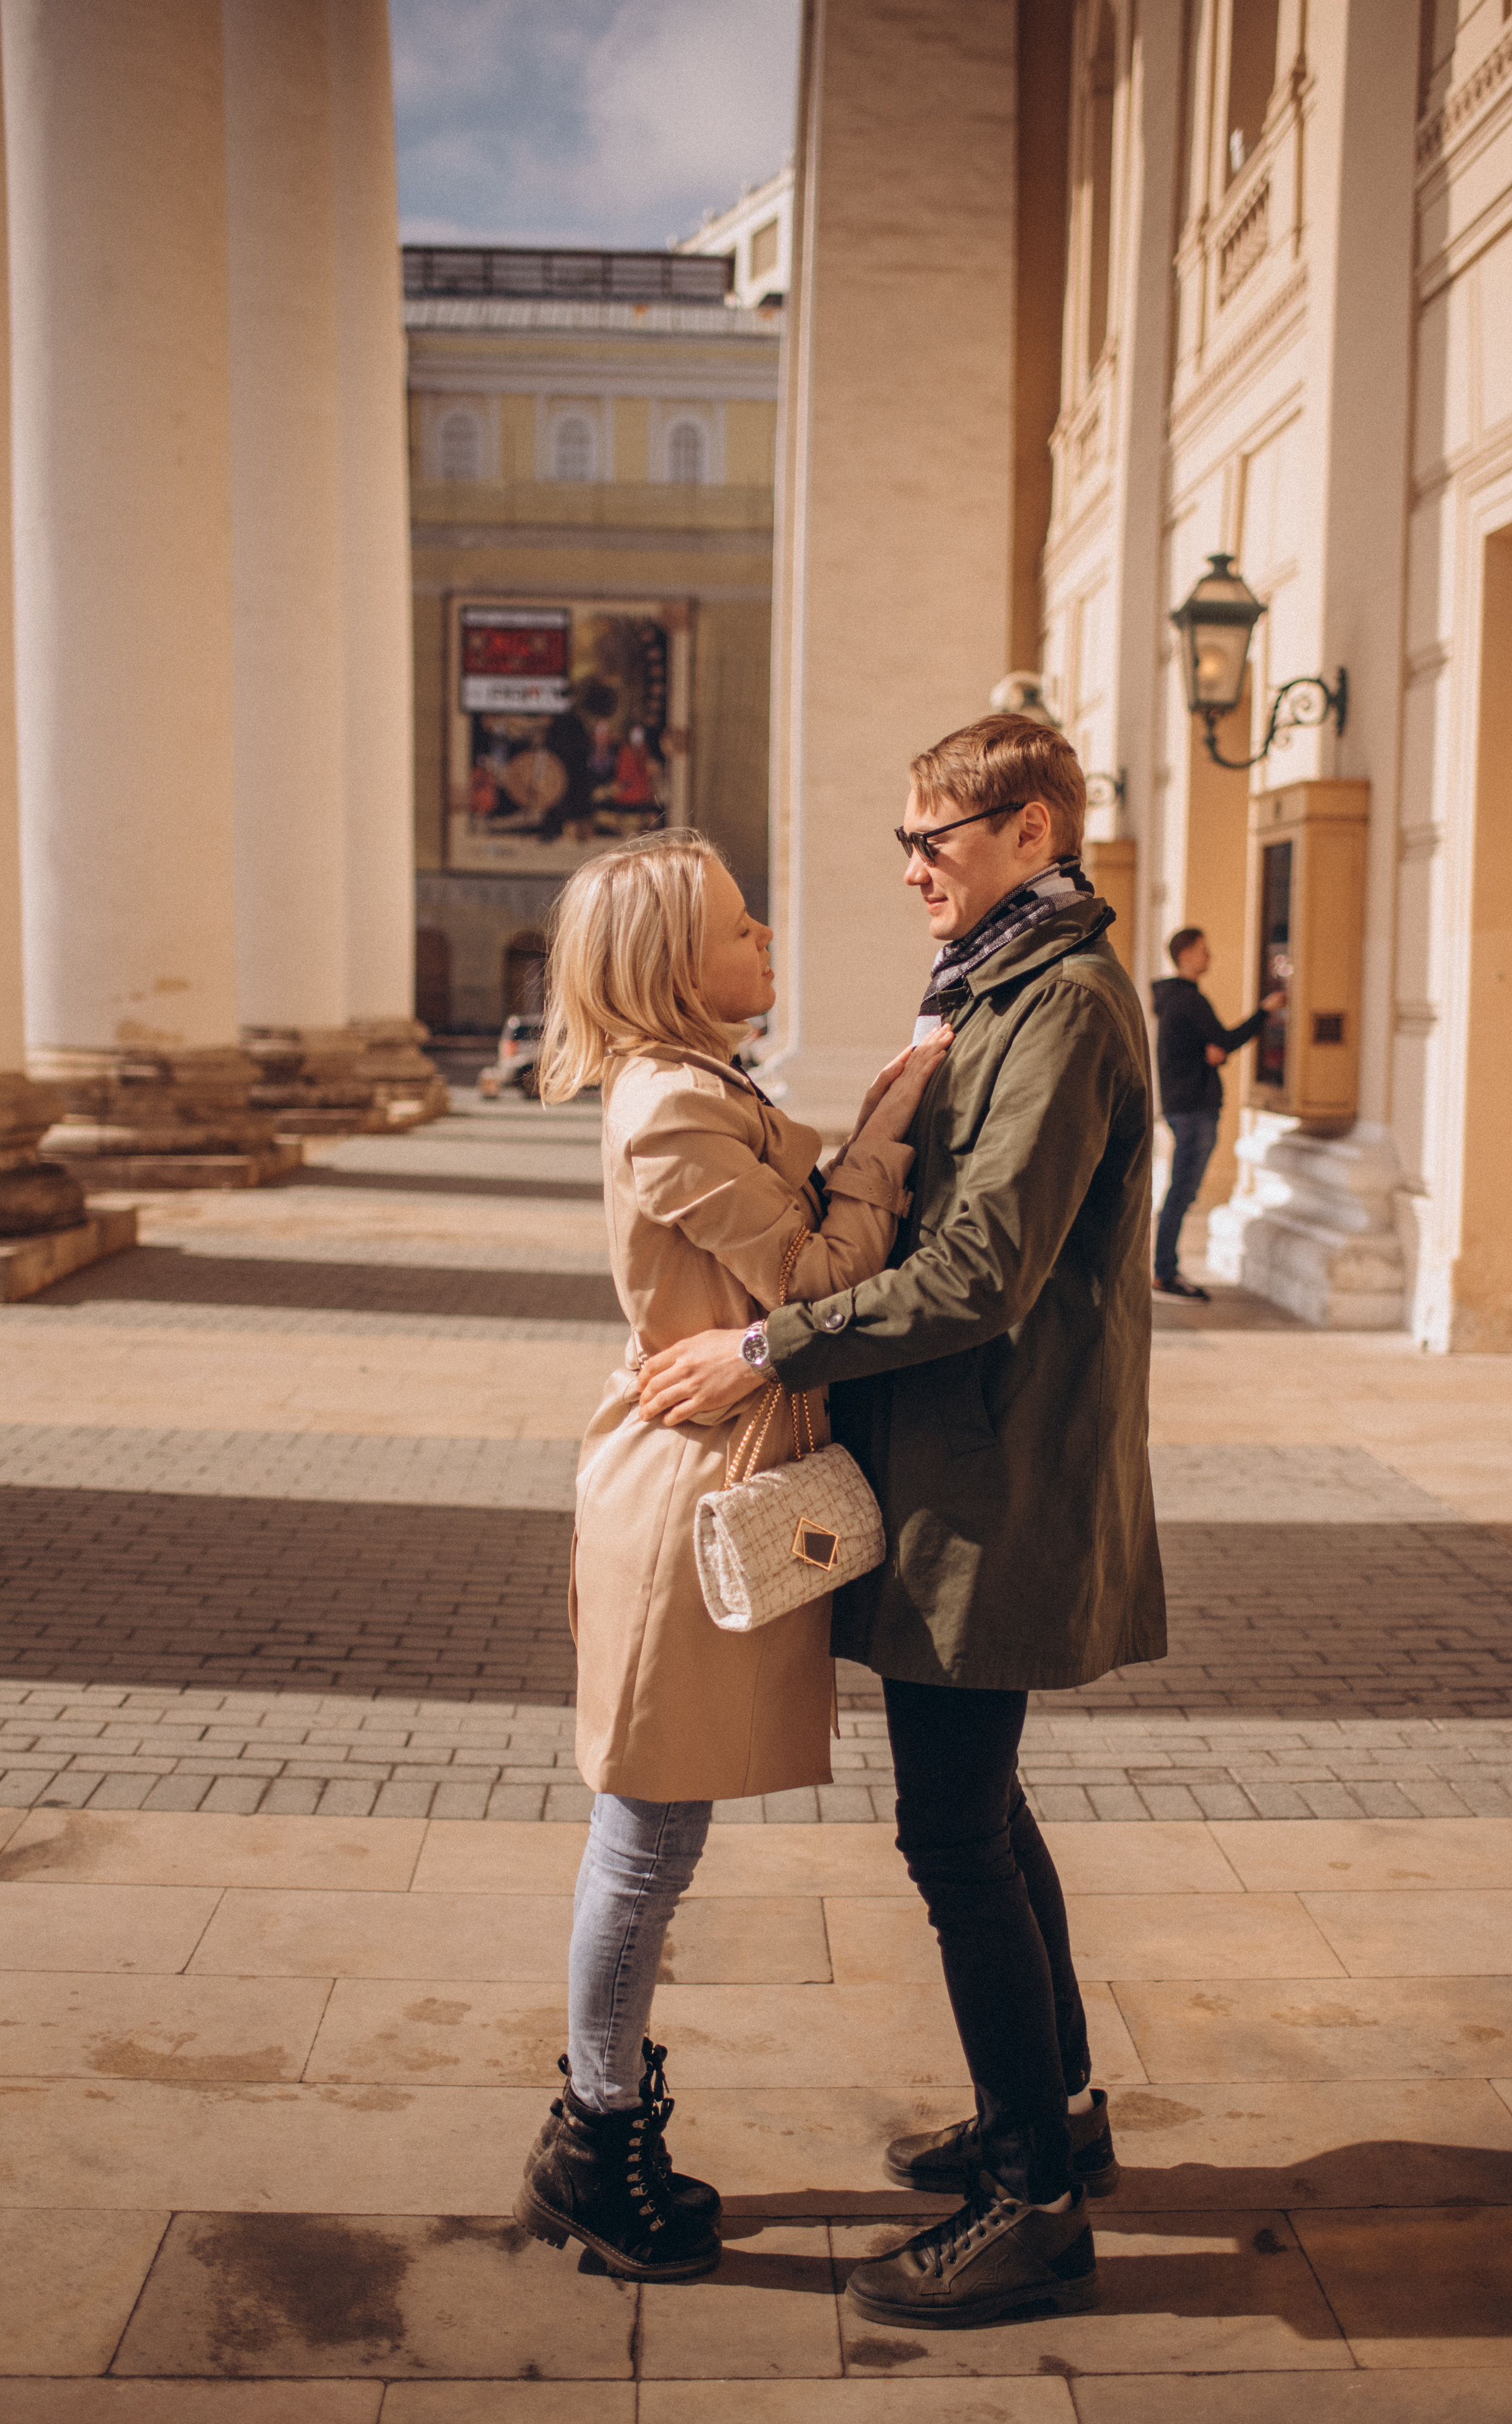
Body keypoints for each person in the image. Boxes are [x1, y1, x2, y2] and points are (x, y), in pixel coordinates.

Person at [636, 714, 1166, 2330]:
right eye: (905, 838)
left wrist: (762, 1343)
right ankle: (1054, 2112)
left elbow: (980, 1268)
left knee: (948, 1830)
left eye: (930, 835)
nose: (910, 865)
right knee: (983, 1814)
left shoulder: (1059, 1003)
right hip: (957, 1462)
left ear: (1026, 830)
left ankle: (1028, 2204)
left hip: (992, 1476)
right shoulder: (996, 987)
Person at [511, 829, 951, 2286]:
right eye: (740, 923)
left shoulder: (702, 1085)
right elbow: (822, 1275)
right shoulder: (669, 1110)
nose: (766, 936)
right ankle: (591, 2132)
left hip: (724, 1455)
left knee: (656, 1832)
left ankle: (600, 2113)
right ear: (670, 962)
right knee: (643, 1834)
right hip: (687, 1490)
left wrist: (865, 1133)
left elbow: (801, 1241)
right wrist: (887, 1123)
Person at [1150, 927, 1285, 1302]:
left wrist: (1212, 1050)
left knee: (1180, 1191)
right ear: (1188, 955)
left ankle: (1163, 1268)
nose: (1209, 956)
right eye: (1204, 951)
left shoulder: (1174, 1000)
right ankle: (1164, 1271)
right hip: (1194, 1108)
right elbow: (1225, 1041)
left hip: (1183, 1106)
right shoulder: (1189, 1001)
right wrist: (1264, 1011)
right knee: (1182, 1192)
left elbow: (1211, 1047)